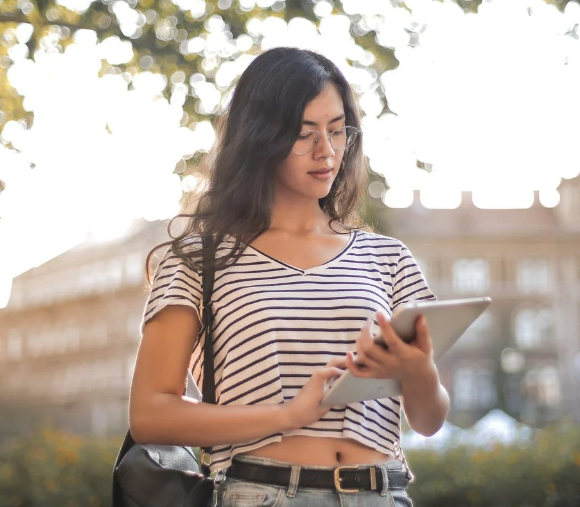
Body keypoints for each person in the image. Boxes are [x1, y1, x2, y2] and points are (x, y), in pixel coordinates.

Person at [129, 47, 449, 507]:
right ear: (261, 138)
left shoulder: (387, 256)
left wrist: (419, 373)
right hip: (262, 494)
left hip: (382, 493)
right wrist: (286, 414)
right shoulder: (202, 259)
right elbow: (150, 414)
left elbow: (429, 419)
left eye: (337, 131)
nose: (328, 151)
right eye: (304, 134)